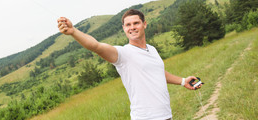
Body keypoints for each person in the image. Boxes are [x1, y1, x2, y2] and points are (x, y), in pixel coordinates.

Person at [57, 9, 202, 120]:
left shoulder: (152, 49)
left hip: (165, 115)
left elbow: (157, 73)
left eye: (136, 23)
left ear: (144, 24)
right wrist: (73, 32)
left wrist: (183, 81)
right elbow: (96, 46)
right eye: (128, 25)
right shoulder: (123, 54)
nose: (132, 27)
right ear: (124, 28)